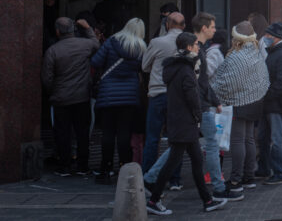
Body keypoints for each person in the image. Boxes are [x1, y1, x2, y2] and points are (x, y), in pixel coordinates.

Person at [146, 32, 228, 215]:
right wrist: (198, 117)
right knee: (172, 164)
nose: (199, 48)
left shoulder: (176, 67)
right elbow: (192, 98)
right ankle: (153, 200)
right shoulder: (186, 70)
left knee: (197, 161)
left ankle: (207, 200)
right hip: (185, 124)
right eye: (196, 45)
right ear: (189, 47)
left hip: (181, 123)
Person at [211, 21, 270, 194]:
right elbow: (263, 76)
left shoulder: (235, 57)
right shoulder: (257, 53)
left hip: (238, 102)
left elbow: (224, 83)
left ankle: (236, 180)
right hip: (256, 101)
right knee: (249, 139)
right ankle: (249, 177)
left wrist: (216, 96)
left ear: (237, 38)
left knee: (238, 140)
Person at [91, 17, 147, 184]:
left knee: (107, 133)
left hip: (108, 93)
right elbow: (143, 68)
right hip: (130, 95)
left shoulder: (111, 42)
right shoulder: (141, 48)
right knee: (124, 133)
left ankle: (105, 169)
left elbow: (95, 61)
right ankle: (125, 167)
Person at [42, 17, 99, 176]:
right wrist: (88, 28)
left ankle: (64, 165)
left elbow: (47, 78)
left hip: (60, 98)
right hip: (82, 97)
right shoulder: (85, 45)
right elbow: (97, 44)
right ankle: (83, 166)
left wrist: (53, 91)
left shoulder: (53, 50)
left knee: (62, 133)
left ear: (57, 31)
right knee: (82, 132)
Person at [141, 12, 187, 189]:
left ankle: (148, 177)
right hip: (179, 96)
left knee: (153, 137)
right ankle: (175, 178)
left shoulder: (157, 42)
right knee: (176, 138)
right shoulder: (189, 43)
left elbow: (144, 66)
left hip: (158, 93)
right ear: (183, 25)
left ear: (167, 25)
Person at [192, 12, 233, 200]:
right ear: (204, 28)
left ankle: (216, 183)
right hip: (210, 102)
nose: (214, 30)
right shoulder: (213, 51)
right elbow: (202, 77)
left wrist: (214, 100)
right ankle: (217, 185)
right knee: (213, 143)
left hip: (210, 102)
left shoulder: (211, 52)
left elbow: (203, 77)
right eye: (213, 26)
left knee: (210, 143)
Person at [256, 22, 282, 185]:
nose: (265, 38)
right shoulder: (275, 52)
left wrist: (266, 95)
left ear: (275, 37)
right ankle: (264, 168)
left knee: (277, 138)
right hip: (269, 103)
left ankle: (280, 172)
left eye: (267, 35)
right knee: (263, 137)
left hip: (275, 104)